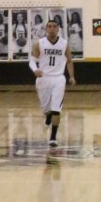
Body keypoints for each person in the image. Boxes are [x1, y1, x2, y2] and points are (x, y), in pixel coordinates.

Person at [29, 18, 76, 147]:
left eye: (54, 26)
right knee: (45, 108)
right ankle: (47, 114)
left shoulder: (64, 44)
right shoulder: (39, 43)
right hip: (43, 78)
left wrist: (71, 76)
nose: (52, 29)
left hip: (58, 79)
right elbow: (32, 60)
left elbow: (70, 61)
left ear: (58, 28)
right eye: (49, 26)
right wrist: (35, 69)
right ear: (46, 29)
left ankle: (53, 137)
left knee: (57, 109)